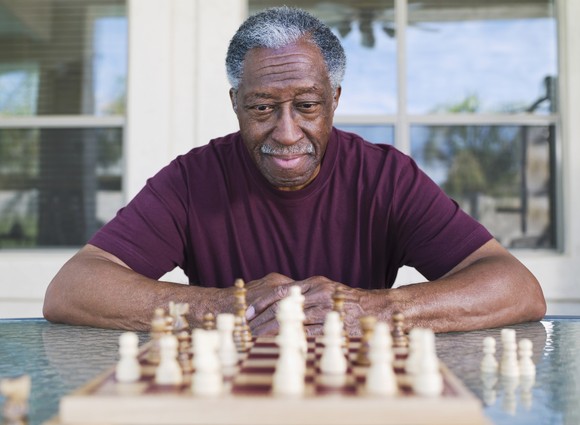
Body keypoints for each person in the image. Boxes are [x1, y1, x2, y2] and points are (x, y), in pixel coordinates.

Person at [43, 7, 546, 335]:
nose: (286, 133)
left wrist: (369, 311)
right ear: (236, 104)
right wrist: (223, 307)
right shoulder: (193, 179)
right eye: (263, 108)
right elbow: (73, 288)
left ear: (335, 102)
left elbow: (516, 287)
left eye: (307, 106)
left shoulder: (385, 177)